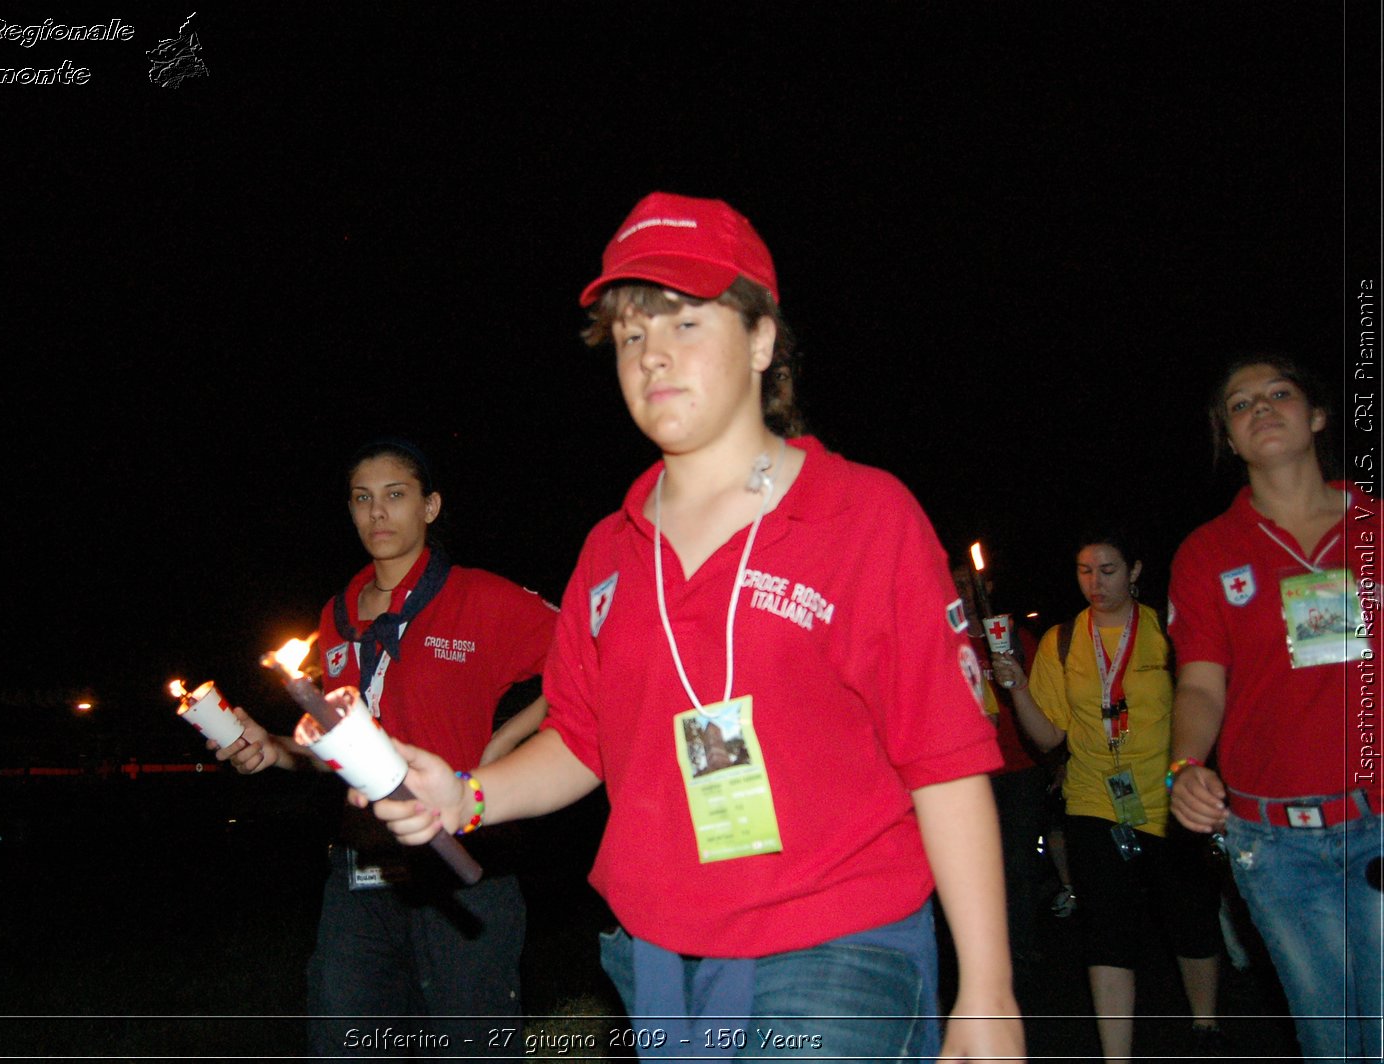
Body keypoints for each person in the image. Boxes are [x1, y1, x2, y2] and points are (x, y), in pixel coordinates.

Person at [368, 192, 1023, 1061]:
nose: (652, 357)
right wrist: (466, 793)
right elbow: (582, 738)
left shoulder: (864, 516)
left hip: (837, 941)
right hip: (662, 962)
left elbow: (945, 760)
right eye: (632, 335)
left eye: (684, 322)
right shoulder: (610, 552)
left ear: (760, 341)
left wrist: (988, 987)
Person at [211, 438, 557, 1058]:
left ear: (430, 507)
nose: (378, 514)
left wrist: (504, 743)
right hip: (360, 874)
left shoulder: (481, 598)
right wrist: (275, 749)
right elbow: (337, 748)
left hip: (461, 868)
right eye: (362, 499)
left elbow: (591, 659)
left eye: (395, 496)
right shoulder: (336, 617)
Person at [1165, 357, 1381, 1062]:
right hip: (1276, 844)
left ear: (1316, 416)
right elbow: (1200, 685)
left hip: (1379, 820)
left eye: (1279, 394)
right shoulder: (1207, 553)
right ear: (1228, 439)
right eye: (1240, 404)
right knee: (1332, 1042)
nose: (1261, 408)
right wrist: (1185, 764)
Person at [993, 534, 1223, 1062]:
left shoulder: (1167, 628)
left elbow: (1202, 699)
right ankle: (1114, 1054)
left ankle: (1206, 1026)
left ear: (1135, 569)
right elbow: (1050, 737)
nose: (1096, 583)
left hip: (1165, 797)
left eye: (1109, 570)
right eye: (1084, 571)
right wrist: (1019, 688)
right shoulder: (1063, 640)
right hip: (1095, 799)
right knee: (1105, 931)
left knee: (1188, 915)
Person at [951, 562, 1053, 966]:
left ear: (985, 586)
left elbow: (1045, 702)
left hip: (1021, 767)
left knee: (1019, 861)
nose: (964, 591)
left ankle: (1023, 945)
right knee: (981, 865)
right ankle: (987, 949)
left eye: (969, 584)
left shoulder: (1016, 638)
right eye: (956, 584)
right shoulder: (951, 642)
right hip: (977, 775)